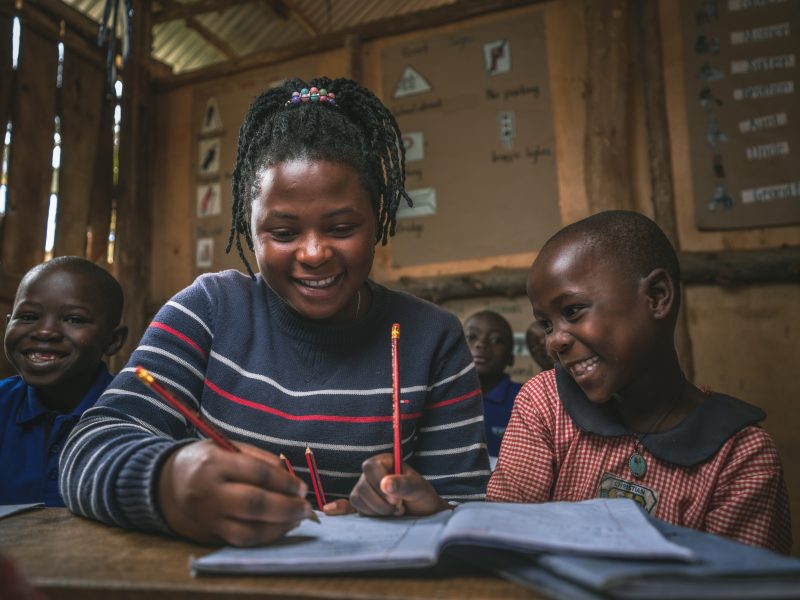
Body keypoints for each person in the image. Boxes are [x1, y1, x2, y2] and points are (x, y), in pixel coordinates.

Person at [59, 77, 490, 547]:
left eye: (342, 227)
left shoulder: (433, 339)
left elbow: (468, 507)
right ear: (250, 227)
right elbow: (87, 447)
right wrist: (167, 483)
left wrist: (425, 507)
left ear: (380, 214)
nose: (313, 253)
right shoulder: (209, 310)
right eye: (283, 233)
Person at [487, 210, 791, 554]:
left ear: (657, 296)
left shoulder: (739, 455)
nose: (554, 341)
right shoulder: (545, 401)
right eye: (546, 324)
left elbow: (736, 584)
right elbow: (504, 536)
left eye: (572, 311)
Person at [1, 256, 127, 506]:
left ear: (113, 341)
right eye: (27, 316)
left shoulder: (129, 414)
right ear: (7, 324)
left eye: (74, 319)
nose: (45, 331)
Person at [463, 310, 521, 459]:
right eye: (471, 337)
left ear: (511, 357)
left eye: (496, 340)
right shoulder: (443, 398)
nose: (481, 344)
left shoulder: (525, 400)